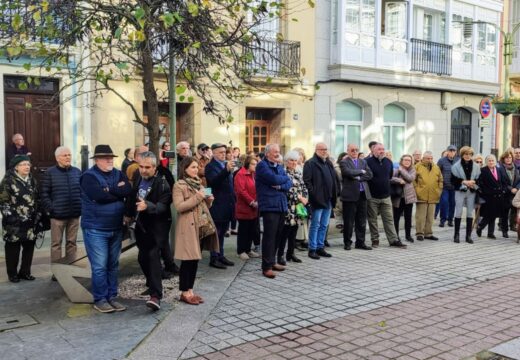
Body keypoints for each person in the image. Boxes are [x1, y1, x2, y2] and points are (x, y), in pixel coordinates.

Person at [80, 145, 131, 313]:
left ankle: (112, 296)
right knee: (100, 266)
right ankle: (100, 299)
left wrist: (110, 189)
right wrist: (117, 191)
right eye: (105, 158)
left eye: (111, 157)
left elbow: (128, 190)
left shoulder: (118, 173)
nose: (110, 160)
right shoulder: (89, 176)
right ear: (96, 160)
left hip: (115, 227)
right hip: (96, 228)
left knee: (113, 264)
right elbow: (98, 196)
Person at [125, 152, 171, 311]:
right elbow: (132, 197)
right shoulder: (139, 178)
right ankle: (152, 284)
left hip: (158, 228)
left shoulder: (163, 183)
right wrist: (128, 214)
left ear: (155, 167)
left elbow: (163, 207)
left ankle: (156, 296)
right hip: (141, 227)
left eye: (147, 167)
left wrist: (148, 206)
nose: (143, 170)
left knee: (152, 256)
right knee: (142, 258)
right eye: (141, 166)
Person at [173, 157, 219, 305]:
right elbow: (179, 207)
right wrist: (199, 196)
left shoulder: (199, 183)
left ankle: (190, 290)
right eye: (192, 167)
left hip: (199, 227)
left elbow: (204, 208)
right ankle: (184, 292)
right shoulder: (179, 185)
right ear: (184, 169)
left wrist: (209, 200)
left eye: (196, 167)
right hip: (187, 228)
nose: (196, 170)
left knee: (195, 259)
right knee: (187, 261)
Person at [0, 155, 42, 282]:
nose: (27, 167)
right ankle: (12, 274)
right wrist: (12, 218)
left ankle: (25, 272)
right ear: (16, 167)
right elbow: (3, 202)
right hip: (14, 223)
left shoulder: (32, 180)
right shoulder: (8, 181)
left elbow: (37, 198)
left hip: (30, 222)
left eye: (28, 164)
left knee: (29, 248)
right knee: (13, 248)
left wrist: (38, 215)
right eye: (23, 164)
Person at [255, 143, 292, 278]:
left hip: (281, 204)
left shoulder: (279, 166)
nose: (277, 153)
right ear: (267, 153)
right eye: (275, 151)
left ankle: (273, 261)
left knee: (278, 234)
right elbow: (274, 179)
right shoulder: (262, 166)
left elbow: (288, 184)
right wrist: (285, 179)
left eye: (278, 151)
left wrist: (280, 185)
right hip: (269, 205)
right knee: (269, 236)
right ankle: (266, 267)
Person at [41, 146, 82, 264]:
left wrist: (80, 206)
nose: (68, 157)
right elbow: (44, 193)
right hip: (57, 216)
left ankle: (70, 267)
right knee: (56, 244)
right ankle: (57, 271)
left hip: (74, 214)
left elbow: (82, 191)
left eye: (69, 155)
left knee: (71, 242)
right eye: (65, 155)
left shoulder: (77, 172)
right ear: (57, 158)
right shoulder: (50, 173)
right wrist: (51, 208)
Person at [366, 143, 407, 248]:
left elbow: (389, 176)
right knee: (372, 219)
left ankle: (393, 240)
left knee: (389, 219)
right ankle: (375, 239)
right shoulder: (367, 162)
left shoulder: (388, 162)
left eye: (383, 149)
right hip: (372, 196)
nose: (382, 151)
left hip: (386, 196)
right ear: (373, 150)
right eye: (379, 149)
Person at [303, 143, 339, 259]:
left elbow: (334, 179)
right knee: (315, 224)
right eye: (322, 149)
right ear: (316, 150)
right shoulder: (310, 163)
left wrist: (335, 193)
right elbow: (307, 182)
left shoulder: (328, 162)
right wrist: (314, 194)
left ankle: (320, 247)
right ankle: (312, 249)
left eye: (326, 149)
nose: (325, 151)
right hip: (317, 200)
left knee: (324, 224)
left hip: (328, 199)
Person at [205, 143, 236, 269]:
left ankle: (221, 255)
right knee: (216, 233)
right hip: (217, 204)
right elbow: (213, 182)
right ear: (213, 153)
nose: (223, 154)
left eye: (224, 152)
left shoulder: (224, 164)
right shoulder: (210, 166)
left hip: (227, 204)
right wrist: (226, 171)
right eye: (220, 152)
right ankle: (214, 258)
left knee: (223, 231)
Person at [339, 144, 373, 250]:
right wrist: (361, 172)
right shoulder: (344, 162)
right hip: (350, 195)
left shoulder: (363, 161)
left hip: (363, 194)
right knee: (349, 221)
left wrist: (358, 177)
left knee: (362, 220)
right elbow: (347, 172)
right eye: (352, 150)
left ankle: (360, 242)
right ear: (348, 151)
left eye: (356, 150)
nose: (354, 152)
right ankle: (347, 242)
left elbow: (370, 174)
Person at [277, 150, 309, 264]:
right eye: (291, 160)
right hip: (287, 207)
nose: (294, 162)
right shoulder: (282, 173)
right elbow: (286, 190)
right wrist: (299, 197)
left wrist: (305, 198)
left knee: (294, 232)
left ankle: (291, 254)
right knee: (284, 233)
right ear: (286, 161)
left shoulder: (298, 173)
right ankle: (280, 255)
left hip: (298, 208)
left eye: (295, 160)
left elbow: (304, 187)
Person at [451, 146, 480, 244]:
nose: (468, 156)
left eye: (470, 154)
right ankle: (456, 235)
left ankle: (468, 236)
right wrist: (463, 182)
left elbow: (479, 179)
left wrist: (473, 182)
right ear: (462, 155)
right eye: (466, 154)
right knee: (458, 212)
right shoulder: (455, 166)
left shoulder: (476, 166)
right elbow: (453, 180)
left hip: (471, 191)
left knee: (469, 213)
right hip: (459, 191)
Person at [234, 156, 260, 260]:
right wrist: (251, 202)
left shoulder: (254, 174)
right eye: (253, 164)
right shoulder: (240, 174)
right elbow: (241, 191)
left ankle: (248, 250)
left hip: (254, 207)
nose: (255, 166)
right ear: (247, 164)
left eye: (256, 164)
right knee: (243, 230)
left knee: (251, 229)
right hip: (244, 207)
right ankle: (241, 251)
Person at [477, 155, 509, 239]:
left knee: (494, 215)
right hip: (489, 196)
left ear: (495, 162)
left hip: (499, 196)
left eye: (492, 160)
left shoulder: (499, 169)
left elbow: (505, 181)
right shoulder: (482, 170)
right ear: (486, 162)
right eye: (489, 161)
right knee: (489, 214)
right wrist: (485, 192)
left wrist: (504, 190)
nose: (491, 162)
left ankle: (490, 233)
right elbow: (480, 184)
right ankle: (481, 226)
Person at [414, 151, 443, 241]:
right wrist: (417, 190)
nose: (430, 160)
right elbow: (413, 180)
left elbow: (440, 180)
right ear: (423, 158)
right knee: (421, 216)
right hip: (421, 195)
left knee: (430, 216)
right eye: (428, 158)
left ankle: (428, 233)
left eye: (431, 158)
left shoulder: (436, 167)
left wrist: (439, 190)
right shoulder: (417, 167)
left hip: (433, 195)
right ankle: (419, 233)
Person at [390, 154, 417, 243]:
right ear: (401, 160)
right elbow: (390, 178)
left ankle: (408, 235)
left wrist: (401, 170)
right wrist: (399, 180)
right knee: (396, 218)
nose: (407, 162)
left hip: (409, 197)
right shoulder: (395, 169)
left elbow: (410, 179)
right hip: (398, 198)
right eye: (405, 160)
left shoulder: (412, 169)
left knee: (408, 218)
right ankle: (396, 236)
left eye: (409, 160)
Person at [499, 150, 519, 236]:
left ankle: (513, 226)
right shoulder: (500, 169)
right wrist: (510, 189)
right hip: (505, 193)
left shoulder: (517, 168)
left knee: (514, 211)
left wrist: (517, 188)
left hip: (515, 193)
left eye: (510, 157)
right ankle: (504, 230)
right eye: (506, 158)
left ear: (512, 158)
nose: (508, 159)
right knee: (505, 212)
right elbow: (501, 182)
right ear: (503, 159)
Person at [437, 145, 458, 227]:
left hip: (454, 187)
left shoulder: (458, 160)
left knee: (452, 203)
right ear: (447, 151)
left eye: (453, 151)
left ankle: (450, 220)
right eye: (450, 150)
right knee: (444, 203)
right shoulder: (441, 160)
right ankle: (442, 220)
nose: (452, 152)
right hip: (444, 186)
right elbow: (437, 172)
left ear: (456, 152)